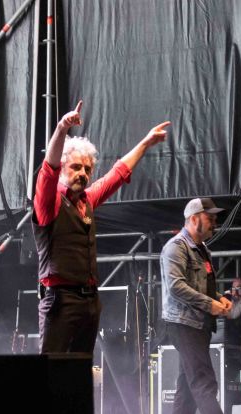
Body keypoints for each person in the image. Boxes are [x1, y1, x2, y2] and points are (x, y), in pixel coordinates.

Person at [33, 100, 169, 354]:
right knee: (53, 368)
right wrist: (62, 128)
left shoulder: (87, 200)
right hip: (60, 299)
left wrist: (146, 143)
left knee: (80, 368)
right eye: (76, 167)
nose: (83, 173)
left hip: (89, 300)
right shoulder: (50, 202)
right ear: (63, 169)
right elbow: (48, 169)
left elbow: (116, 174)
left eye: (87, 169)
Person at [160, 198, 233, 414]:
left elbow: (201, 287)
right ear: (193, 219)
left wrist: (219, 298)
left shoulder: (202, 250)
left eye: (215, 218)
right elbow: (176, 286)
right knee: (203, 380)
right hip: (183, 324)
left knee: (187, 384)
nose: (214, 222)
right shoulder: (175, 248)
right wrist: (209, 304)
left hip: (198, 325)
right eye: (209, 218)